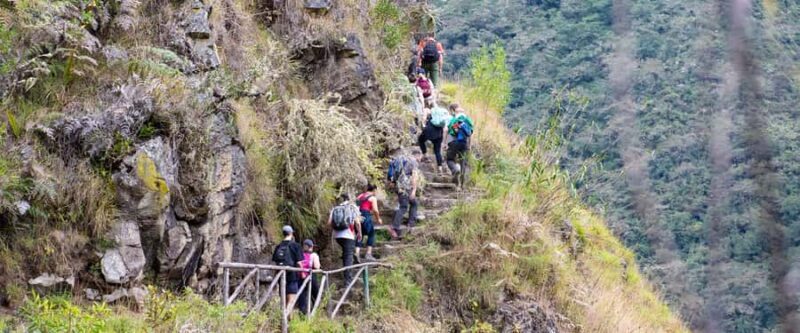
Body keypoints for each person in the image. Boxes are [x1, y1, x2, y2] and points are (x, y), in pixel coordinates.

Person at [327, 194, 361, 284]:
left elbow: (329, 222)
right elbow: (357, 222)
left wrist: (337, 228)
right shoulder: (352, 207)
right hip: (348, 235)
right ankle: (348, 280)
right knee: (348, 256)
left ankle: (347, 273)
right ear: (349, 199)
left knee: (346, 253)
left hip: (337, 236)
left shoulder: (335, 208)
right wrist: (359, 233)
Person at [387, 151, 420, 238]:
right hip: (406, 187)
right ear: (418, 156)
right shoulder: (414, 162)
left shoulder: (402, 161)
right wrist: (414, 190)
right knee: (403, 207)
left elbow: (391, 179)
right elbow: (414, 177)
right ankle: (394, 227)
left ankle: (410, 223)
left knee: (414, 203)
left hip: (399, 186)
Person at [271, 225, 304, 312]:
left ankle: (285, 320)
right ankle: (285, 317)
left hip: (280, 275)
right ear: (291, 233)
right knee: (291, 300)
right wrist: (303, 273)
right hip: (292, 276)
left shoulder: (278, 246)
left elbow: (275, 263)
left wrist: (275, 277)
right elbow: (299, 263)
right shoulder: (296, 246)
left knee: (284, 301)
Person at [418, 104, 450, 173]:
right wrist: (444, 142)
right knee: (437, 151)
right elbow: (445, 127)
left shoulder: (430, 111)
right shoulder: (442, 114)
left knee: (420, 140)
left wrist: (423, 125)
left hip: (429, 130)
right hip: (439, 133)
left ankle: (425, 155)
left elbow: (424, 117)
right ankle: (440, 168)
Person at [446, 108, 474, 188]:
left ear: (456, 112)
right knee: (463, 163)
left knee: (450, 159)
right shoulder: (468, 121)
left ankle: (455, 169)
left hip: (454, 142)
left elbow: (451, 130)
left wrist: (445, 143)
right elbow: (470, 134)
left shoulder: (455, 120)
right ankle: (462, 184)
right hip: (465, 144)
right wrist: (469, 145)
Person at [355, 183, 383, 262]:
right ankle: (368, 254)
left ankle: (356, 254)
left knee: (359, 234)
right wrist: (378, 219)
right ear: (374, 190)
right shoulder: (373, 198)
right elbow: (375, 210)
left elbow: (356, 207)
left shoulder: (359, 196)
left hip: (358, 216)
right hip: (366, 216)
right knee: (371, 234)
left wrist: (357, 217)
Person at [297, 239, 321, 315]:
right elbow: (317, 266)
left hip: (300, 278)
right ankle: (315, 313)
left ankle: (302, 316)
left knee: (302, 298)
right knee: (316, 295)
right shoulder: (313, 255)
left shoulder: (299, 255)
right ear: (311, 247)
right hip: (311, 277)